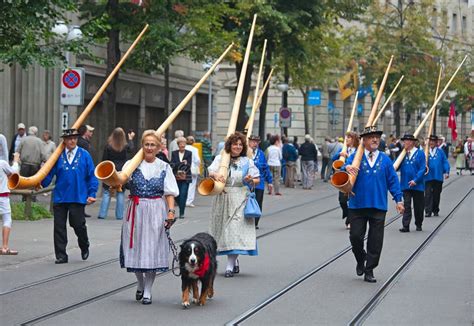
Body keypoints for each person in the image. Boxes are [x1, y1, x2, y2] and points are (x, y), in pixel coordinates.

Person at [120, 130, 178, 305]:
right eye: (147, 144)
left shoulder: (164, 167)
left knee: (151, 250)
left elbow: (169, 193)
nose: (150, 148)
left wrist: (170, 212)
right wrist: (115, 184)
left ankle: (148, 290)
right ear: (142, 146)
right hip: (135, 210)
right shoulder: (132, 164)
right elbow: (120, 182)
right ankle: (140, 282)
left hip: (155, 209)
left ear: (159, 147)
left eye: (153, 145)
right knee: (135, 248)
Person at [344, 126, 404, 283]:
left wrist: (398, 199)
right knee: (355, 237)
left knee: (375, 240)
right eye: (371, 137)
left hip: (378, 205)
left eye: (377, 136)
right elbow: (343, 169)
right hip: (357, 205)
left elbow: (393, 180)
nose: (375, 139)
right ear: (364, 140)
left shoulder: (385, 159)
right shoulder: (356, 157)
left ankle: (369, 269)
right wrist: (346, 167)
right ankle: (360, 258)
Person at [41, 129, 98, 264]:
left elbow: (91, 176)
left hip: (78, 196)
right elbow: (49, 174)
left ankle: (84, 245)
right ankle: (61, 255)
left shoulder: (84, 155)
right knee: (59, 227)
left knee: (78, 224)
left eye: (74, 138)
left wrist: (92, 193)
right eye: (69, 138)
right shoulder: (58, 156)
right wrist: (41, 182)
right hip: (61, 196)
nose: (72, 141)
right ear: (64, 140)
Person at [208, 132, 260, 277]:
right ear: (229, 145)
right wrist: (215, 175)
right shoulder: (221, 158)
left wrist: (250, 180)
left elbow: (257, 179)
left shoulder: (247, 161)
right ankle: (234, 260)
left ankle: (230, 266)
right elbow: (210, 170)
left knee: (234, 231)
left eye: (240, 144)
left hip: (240, 198)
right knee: (224, 232)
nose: (237, 147)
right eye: (234, 144)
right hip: (223, 198)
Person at [98, 128, 135, 220]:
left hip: (111, 170)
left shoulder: (108, 146)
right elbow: (131, 149)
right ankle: (119, 215)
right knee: (120, 192)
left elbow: (104, 159)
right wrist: (130, 138)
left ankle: (102, 214)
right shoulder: (125, 146)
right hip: (122, 171)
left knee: (107, 192)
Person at [397, 134, 426, 232]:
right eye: (404, 141)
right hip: (406, 185)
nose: (404, 142)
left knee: (418, 206)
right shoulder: (403, 154)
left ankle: (419, 223)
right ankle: (406, 226)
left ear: (411, 142)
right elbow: (395, 165)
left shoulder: (420, 153)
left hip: (417, 185)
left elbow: (422, 169)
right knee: (407, 206)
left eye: (406, 141)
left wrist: (415, 180)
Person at [332, 131, 359, 229]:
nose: (346, 139)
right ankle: (347, 215)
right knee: (342, 200)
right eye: (346, 137)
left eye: (349, 138)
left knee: (352, 199)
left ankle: (350, 220)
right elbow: (334, 159)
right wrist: (339, 154)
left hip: (353, 177)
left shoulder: (358, 150)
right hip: (343, 176)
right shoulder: (343, 148)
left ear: (354, 139)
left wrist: (348, 158)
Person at [248, 135, 273, 229]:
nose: (255, 143)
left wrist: (269, 181)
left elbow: (266, 167)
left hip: (259, 183)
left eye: (257, 142)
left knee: (258, 202)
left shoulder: (261, 153)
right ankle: (247, 220)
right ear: (249, 142)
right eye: (253, 141)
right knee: (246, 202)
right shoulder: (245, 153)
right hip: (247, 182)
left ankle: (255, 222)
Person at [425, 135, 450, 217]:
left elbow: (445, 162)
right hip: (428, 177)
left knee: (436, 195)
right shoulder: (425, 152)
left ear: (436, 143)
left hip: (438, 176)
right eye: (430, 141)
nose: (431, 143)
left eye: (433, 141)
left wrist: (447, 171)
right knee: (428, 194)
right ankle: (428, 211)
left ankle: (435, 209)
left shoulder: (440, 152)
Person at [17, 126, 44, 202]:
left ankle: (24, 199)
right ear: (36, 132)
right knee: (33, 184)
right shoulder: (39, 141)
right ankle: (33, 199)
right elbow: (43, 154)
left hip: (25, 164)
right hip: (35, 165)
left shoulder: (24, 140)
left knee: (24, 183)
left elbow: (17, 151)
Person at [0, 153, 20, 255]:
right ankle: (4, 247)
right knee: (7, 219)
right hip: (2, 195)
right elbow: (14, 172)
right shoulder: (2, 163)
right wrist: (16, 160)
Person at [170, 137, 192, 219]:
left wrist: (184, 164)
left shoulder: (189, 153)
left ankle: (181, 212)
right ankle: (181, 205)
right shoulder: (174, 153)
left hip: (186, 177)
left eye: (184, 143)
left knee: (183, 194)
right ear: (178, 145)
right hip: (176, 177)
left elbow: (189, 165)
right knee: (177, 195)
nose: (182, 145)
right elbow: (172, 165)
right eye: (181, 144)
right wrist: (181, 163)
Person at [185, 136, 201, 207]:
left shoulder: (184, 148)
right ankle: (189, 201)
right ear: (193, 142)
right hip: (192, 168)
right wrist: (198, 165)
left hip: (184, 168)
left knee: (184, 184)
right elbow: (197, 160)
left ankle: (183, 200)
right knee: (192, 185)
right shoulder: (195, 149)